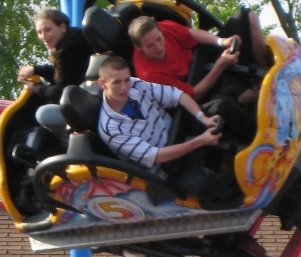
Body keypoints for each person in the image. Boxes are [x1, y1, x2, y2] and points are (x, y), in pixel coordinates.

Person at [95, 56, 242, 208]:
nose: (125, 87)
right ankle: (250, 190)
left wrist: (203, 118)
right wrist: (201, 141)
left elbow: (177, 95)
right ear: (102, 84)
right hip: (168, 169)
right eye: (117, 82)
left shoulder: (135, 85)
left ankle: (255, 141)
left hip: (178, 133)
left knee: (221, 105)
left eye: (126, 80)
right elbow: (157, 156)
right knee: (203, 184)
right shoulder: (110, 129)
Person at [128, 9, 268, 106]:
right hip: (194, 84)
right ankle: (265, 95)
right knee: (244, 96)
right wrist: (220, 65)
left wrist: (221, 41)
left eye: (159, 39)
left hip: (200, 57)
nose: (158, 47)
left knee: (247, 16)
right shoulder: (150, 76)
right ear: (139, 48)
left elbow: (191, 34)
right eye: (150, 46)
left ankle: (264, 75)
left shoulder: (160, 28)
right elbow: (194, 95)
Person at [17, 7, 92, 104]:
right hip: (83, 90)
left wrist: (34, 87)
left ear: (62, 27)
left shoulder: (65, 50)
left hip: (81, 99)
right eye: (39, 32)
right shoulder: (76, 36)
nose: (43, 36)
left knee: (42, 113)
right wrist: (35, 69)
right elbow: (65, 75)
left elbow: (59, 92)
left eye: (47, 30)